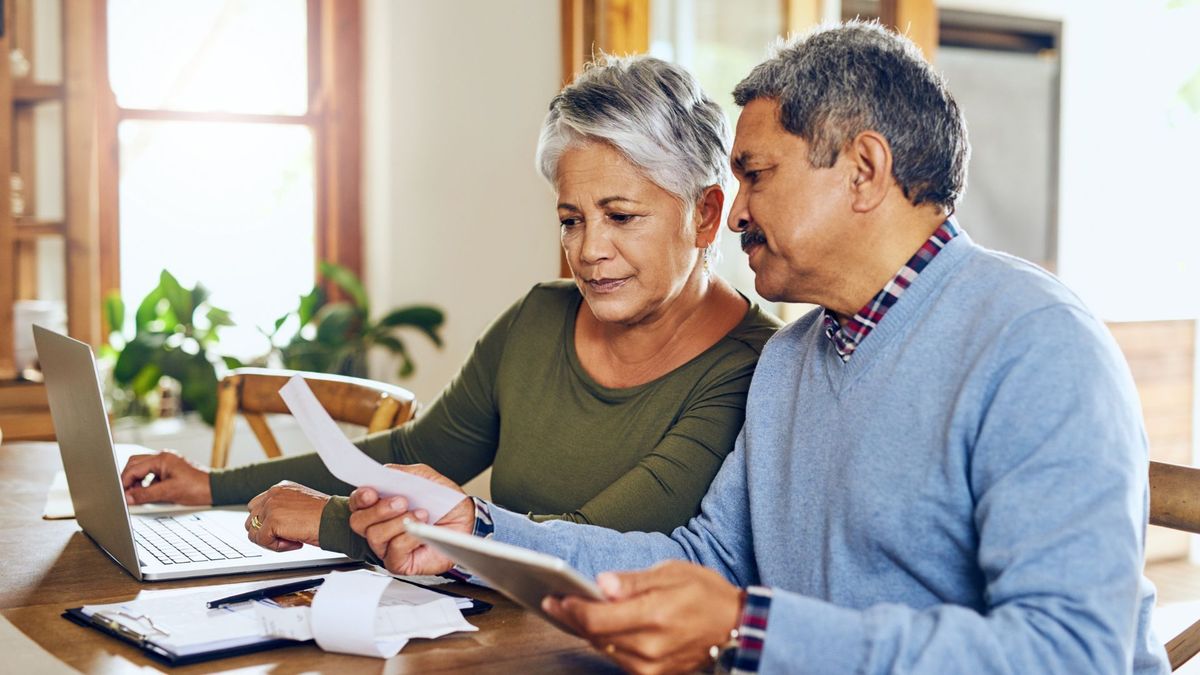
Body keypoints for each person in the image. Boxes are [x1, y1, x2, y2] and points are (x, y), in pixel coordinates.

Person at [344, 22, 1170, 674]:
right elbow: (704, 557)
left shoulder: (1037, 345)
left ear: (863, 170)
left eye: (756, 174)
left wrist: (750, 630)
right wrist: (478, 527)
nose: (732, 213)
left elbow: (1071, 654)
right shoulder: (793, 359)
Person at [118, 55, 781, 565]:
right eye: (571, 219)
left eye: (620, 216)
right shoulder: (540, 318)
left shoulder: (752, 368)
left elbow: (594, 542)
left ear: (705, 214)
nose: (589, 250)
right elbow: (412, 450)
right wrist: (209, 485)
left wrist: (329, 520)